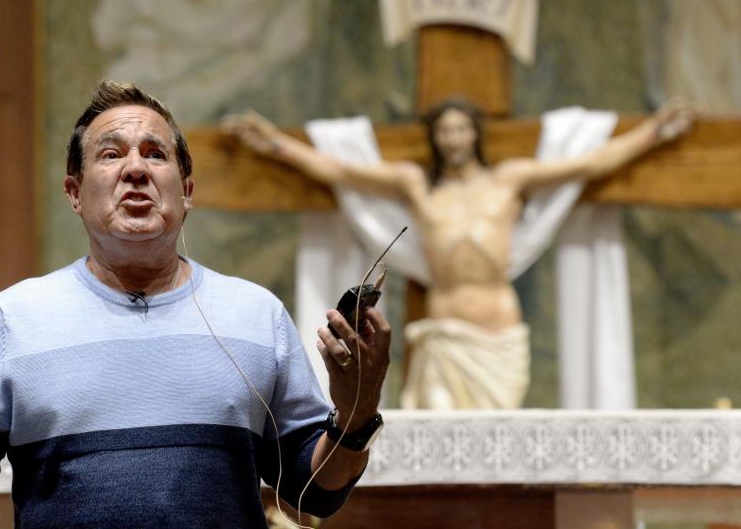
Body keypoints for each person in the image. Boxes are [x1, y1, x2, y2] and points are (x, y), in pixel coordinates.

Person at [0, 80, 391, 529]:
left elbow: (315, 493)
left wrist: (357, 409)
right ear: (74, 193)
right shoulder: (12, 319)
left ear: (187, 190)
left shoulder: (256, 315)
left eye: (155, 153)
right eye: (111, 155)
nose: (136, 168)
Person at [222, 97, 693, 410]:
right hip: (444, 334)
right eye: (445, 130)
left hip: (498, 332)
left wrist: (654, 132)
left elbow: (590, 164)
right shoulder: (415, 184)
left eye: (462, 128)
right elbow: (340, 171)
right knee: (439, 427)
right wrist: (276, 145)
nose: (453, 138)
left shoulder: (510, 178)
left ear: (475, 133)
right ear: (435, 136)